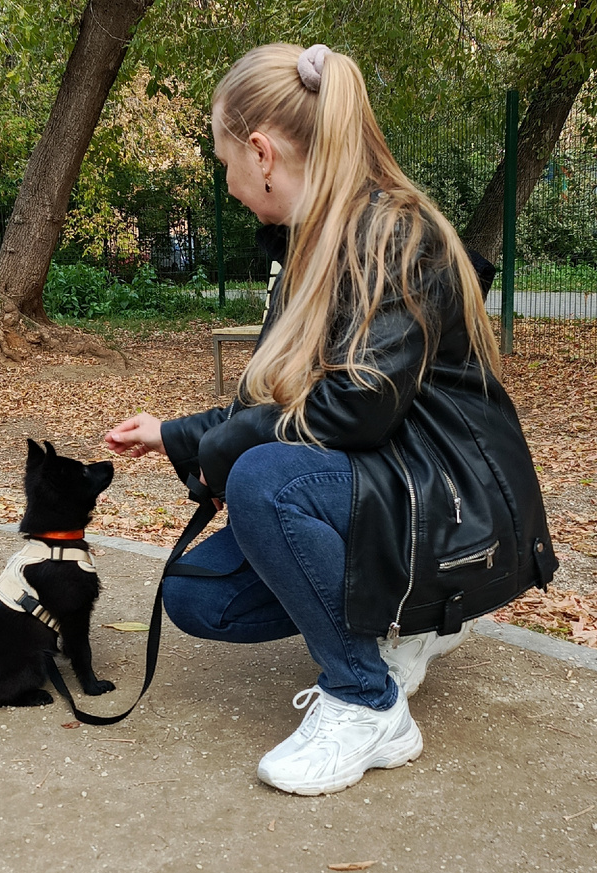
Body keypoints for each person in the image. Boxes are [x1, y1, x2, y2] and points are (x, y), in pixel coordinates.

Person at [104, 43, 555, 796]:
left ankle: (366, 702)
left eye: (225, 162)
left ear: (262, 153)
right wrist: (177, 435)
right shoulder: (312, 243)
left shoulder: (395, 235)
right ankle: (404, 623)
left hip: (446, 507)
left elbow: (352, 407)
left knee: (265, 482)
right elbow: (275, 399)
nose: (229, 183)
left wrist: (225, 454)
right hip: (387, 486)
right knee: (196, 594)